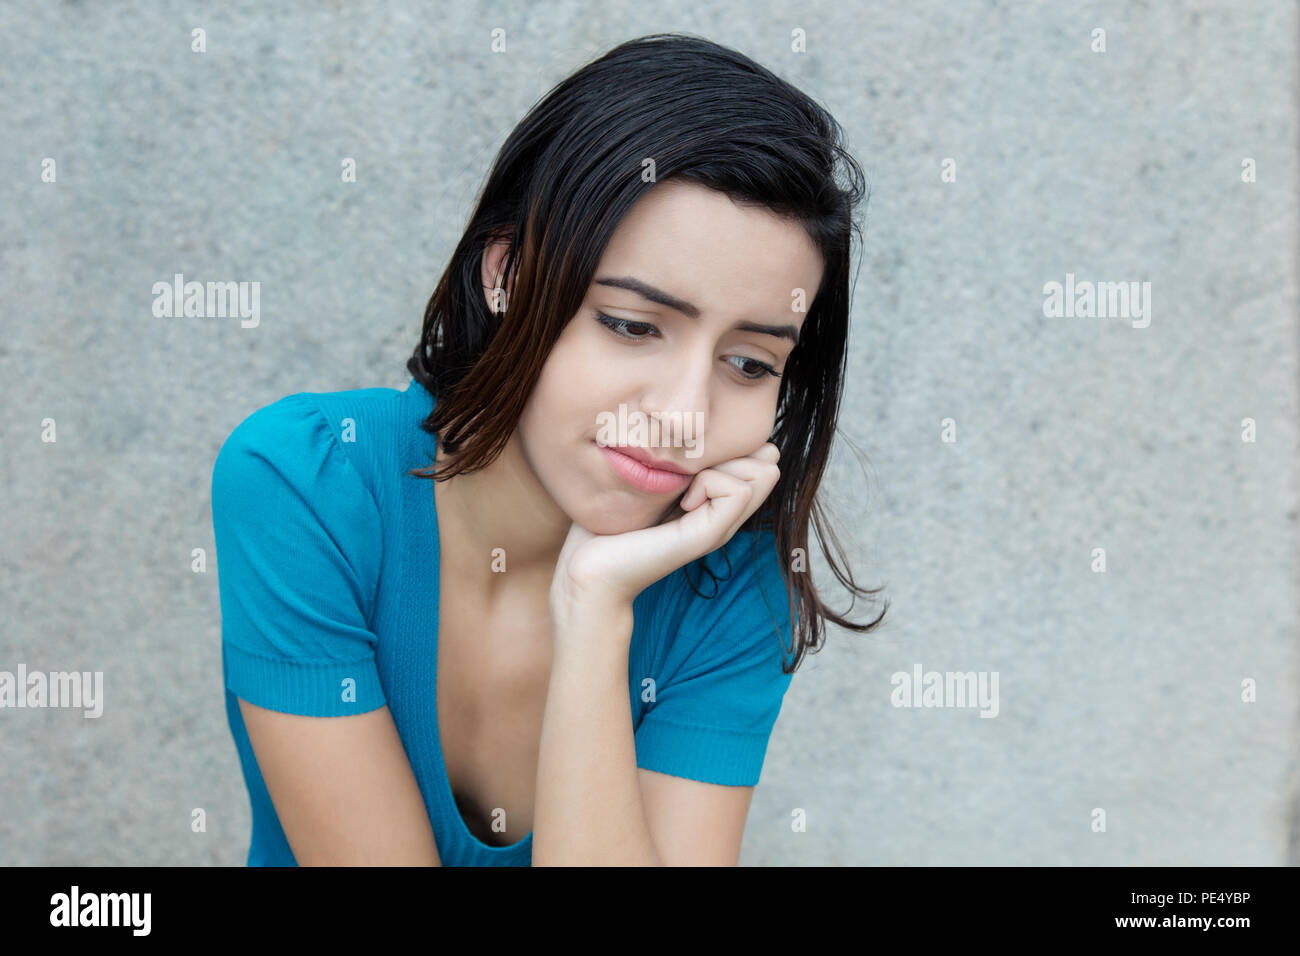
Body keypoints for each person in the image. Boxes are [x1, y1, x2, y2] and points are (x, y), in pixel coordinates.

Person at [211, 32, 887, 867]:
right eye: (632, 325)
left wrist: (596, 610)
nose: (683, 415)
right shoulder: (306, 486)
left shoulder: (728, 592)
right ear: (507, 275)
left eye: (749, 363)